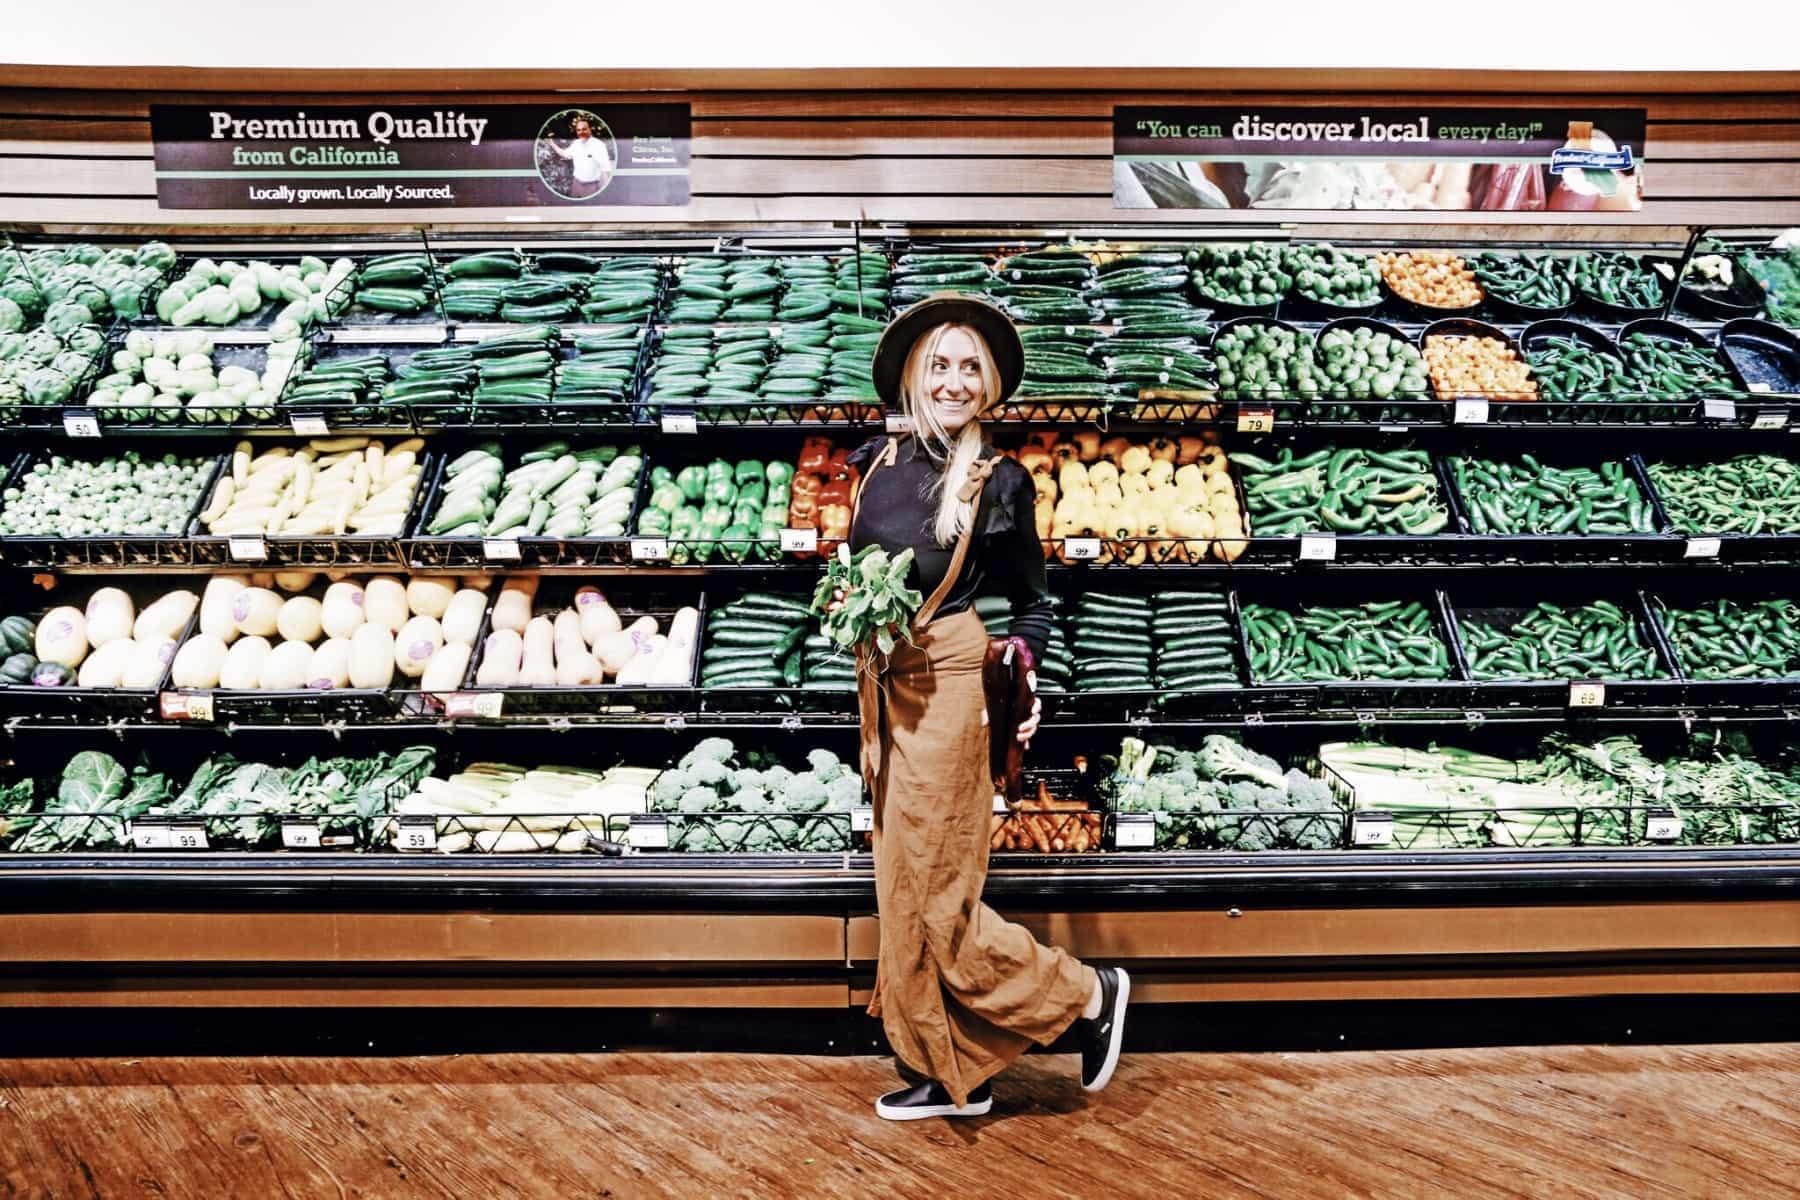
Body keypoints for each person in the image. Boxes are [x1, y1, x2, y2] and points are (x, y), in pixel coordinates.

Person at [845, 293, 1129, 1122]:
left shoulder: (997, 480)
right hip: (883, 686)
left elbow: (1033, 603)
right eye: (940, 364)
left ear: (992, 384)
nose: (955, 380)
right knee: (900, 886)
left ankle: (1083, 994)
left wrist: (1022, 677)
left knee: (939, 894)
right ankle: (950, 1069)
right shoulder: (875, 463)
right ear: (912, 375)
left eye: (972, 367)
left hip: (950, 682)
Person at [546, 116, 613, 199]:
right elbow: (565, 154)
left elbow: (606, 169)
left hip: (591, 187)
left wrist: (605, 192)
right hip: (576, 184)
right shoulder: (576, 143)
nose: (581, 132)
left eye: (584, 129)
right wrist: (552, 144)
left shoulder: (599, 145)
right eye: (578, 130)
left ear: (590, 129)